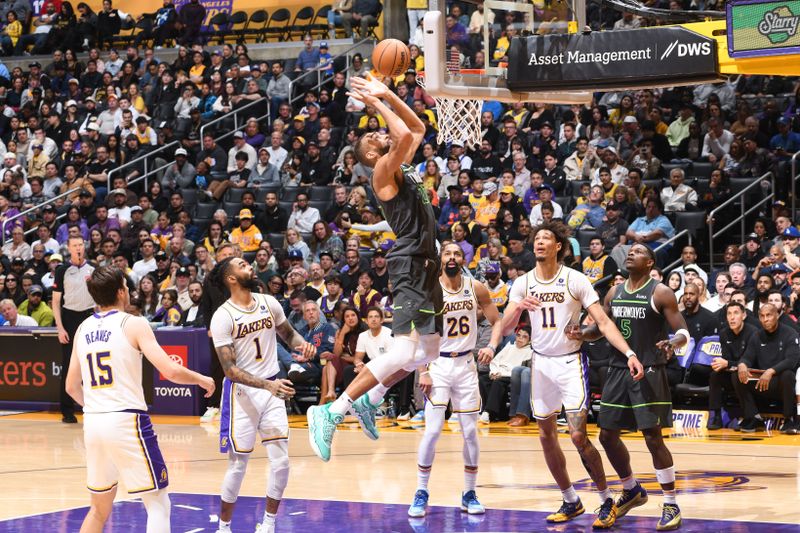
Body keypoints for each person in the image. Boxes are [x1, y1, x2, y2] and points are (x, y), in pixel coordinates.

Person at [307, 73, 442, 462]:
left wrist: (389, 98)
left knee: (426, 353)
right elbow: (400, 135)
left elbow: (414, 127)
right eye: (371, 137)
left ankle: (373, 396)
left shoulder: (399, 162)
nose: (377, 134)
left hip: (427, 262)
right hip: (409, 263)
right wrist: (380, 101)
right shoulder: (382, 171)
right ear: (369, 155)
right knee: (402, 354)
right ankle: (330, 412)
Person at [501, 220, 642, 528]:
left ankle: (606, 500)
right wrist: (515, 310)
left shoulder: (574, 280)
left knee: (578, 435)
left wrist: (629, 352)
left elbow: (603, 322)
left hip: (569, 363)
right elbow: (507, 326)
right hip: (540, 364)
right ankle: (570, 499)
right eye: (536, 238)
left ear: (559, 247)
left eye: (545, 238)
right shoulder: (524, 282)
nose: (538, 242)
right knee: (545, 437)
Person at [65, 266, 214, 533]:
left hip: (94, 423)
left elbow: (71, 387)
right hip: (126, 419)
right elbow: (169, 370)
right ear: (121, 291)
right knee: (158, 503)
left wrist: (97, 407)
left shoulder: (83, 328)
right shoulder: (133, 323)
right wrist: (202, 379)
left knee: (99, 509)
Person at [581, 243, 690, 531]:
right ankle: (631, 488)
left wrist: (672, 343)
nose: (631, 253)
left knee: (653, 438)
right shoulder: (614, 292)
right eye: (630, 250)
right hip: (617, 370)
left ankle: (670, 503)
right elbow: (599, 329)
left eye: (639, 251)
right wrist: (580, 333)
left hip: (649, 371)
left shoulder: (661, 292)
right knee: (606, 436)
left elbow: (682, 331)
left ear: (650, 262)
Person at [209, 257, 316, 533]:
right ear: (231, 278)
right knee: (238, 466)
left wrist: (303, 345)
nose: (249, 266)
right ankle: (223, 527)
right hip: (242, 395)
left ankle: (268, 525)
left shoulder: (269, 303)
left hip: (272, 389)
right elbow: (230, 370)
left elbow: (288, 333)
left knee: (281, 463)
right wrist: (268, 386)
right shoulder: (223, 316)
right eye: (241, 265)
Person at [408, 242, 502, 518]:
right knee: (433, 430)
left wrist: (492, 347)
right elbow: (418, 333)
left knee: (470, 431)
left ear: (464, 259)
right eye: (447, 253)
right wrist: (422, 369)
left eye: (457, 253)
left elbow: (497, 320)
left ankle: (470, 492)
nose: (451, 257)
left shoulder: (476, 288)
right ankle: (421, 491)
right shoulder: (430, 289)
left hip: (465, 365)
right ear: (441, 258)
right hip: (437, 364)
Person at [733, 303, 799, 434]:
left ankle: (789, 418)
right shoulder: (757, 335)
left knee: (788, 375)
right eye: (762, 316)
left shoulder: (790, 333)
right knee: (736, 375)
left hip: (779, 382)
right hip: (761, 382)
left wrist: (771, 371)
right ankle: (753, 417)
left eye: (769, 315)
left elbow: (792, 361)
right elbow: (747, 357)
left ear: (777, 315)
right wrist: (742, 364)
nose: (765, 319)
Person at [52, 235, 96, 424]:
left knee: (91, 362)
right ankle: (67, 410)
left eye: (81, 245)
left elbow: (100, 297)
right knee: (70, 365)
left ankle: (92, 407)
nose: (78, 248)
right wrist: (60, 328)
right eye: (75, 245)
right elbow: (55, 302)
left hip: (89, 316)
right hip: (69, 318)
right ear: (69, 248)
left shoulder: (93, 269)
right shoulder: (62, 270)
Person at [708, 301, 756, 430]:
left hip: (752, 373)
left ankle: (750, 417)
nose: (732, 317)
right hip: (733, 372)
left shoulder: (753, 333)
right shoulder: (724, 333)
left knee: (737, 375)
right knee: (715, 375)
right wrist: (721, 364)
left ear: (744, 315)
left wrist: (728, 363)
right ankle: (716, 415)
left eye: (736, 313)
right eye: (729, 314)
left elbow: (751, 361)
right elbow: (727, 359)